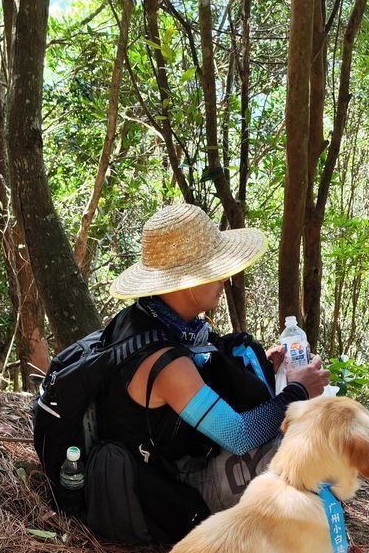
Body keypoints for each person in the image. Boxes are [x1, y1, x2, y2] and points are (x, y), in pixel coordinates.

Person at [93, 201, 331, 528]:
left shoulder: (150, 318)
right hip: (170, 487)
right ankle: (318, 550)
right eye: (216, 271)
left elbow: (201, 374)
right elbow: (237, 435)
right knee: (305, 445)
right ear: (189, 281)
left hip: (173, 459)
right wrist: (297, 390)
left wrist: (262, 365)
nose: (226, 280)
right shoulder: (163, 362)